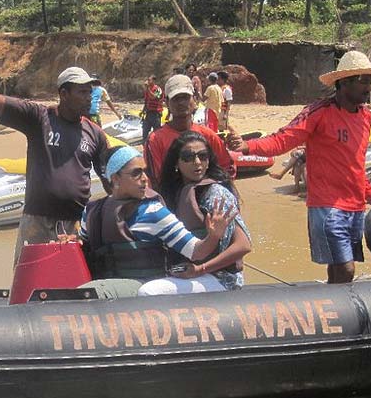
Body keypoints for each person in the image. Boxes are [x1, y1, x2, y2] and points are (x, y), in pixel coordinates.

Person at [0, 19, 109, 265]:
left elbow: (111, 181)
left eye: (90, 91)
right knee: (29, 284)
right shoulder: (38, 118)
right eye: (82, 92)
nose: (89, 97)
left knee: (74, 287)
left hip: (76, 225)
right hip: (37, 221)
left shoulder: (95, 133)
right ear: (63, 94)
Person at [231, 50, 371, 283]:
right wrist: (247, 146)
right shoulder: (318, 112)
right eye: (363, 81)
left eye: (370, 80)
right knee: (346, 269)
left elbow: (357, 161)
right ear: (344, 82)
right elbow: (283, 139)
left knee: (338, 270)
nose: (369, 87)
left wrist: (369, 193)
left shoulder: (365, 116)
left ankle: (337, 313)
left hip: (355, 205)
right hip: (327, 205)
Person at [79, 145, 236, 299]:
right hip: (104, 282)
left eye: (145, 171)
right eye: (136, 173)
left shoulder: (152, 211)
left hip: (143, 285)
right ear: (115, 179)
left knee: (92, 291)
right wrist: (69, 241)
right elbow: (82, 246)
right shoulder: (92, 210)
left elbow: (196, 251)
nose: (145, 179)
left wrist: (213, 237)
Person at [138, 132, 251, 295]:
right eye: (188, 157)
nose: (197, 162)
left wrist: (200, 269)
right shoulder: (172, 194)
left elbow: (243, 245)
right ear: (176, 162)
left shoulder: (216, 194)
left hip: (220, 278)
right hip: (186, 271)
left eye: (203, 156)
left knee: (148, 292)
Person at [144, 74, 234, 189]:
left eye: (185, 97)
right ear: (167, 102)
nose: (181, 103)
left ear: (194, 99)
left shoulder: (208, 136)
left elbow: (226, 168)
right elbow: (155, 180)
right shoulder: (155, 140)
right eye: (176, 98)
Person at [141, 75, 164, 144]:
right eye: (147, 80)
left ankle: (157, 143)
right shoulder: (147, 90)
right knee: (145, 129)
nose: (147, 81)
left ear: (154, 81)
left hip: (156, 113)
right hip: (148, 112)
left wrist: (148, 89)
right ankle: (145, 143)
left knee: (157, 131)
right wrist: (143, 111)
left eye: (149, 80)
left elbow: (153, 97)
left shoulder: (158, 89)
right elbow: (146, 101)